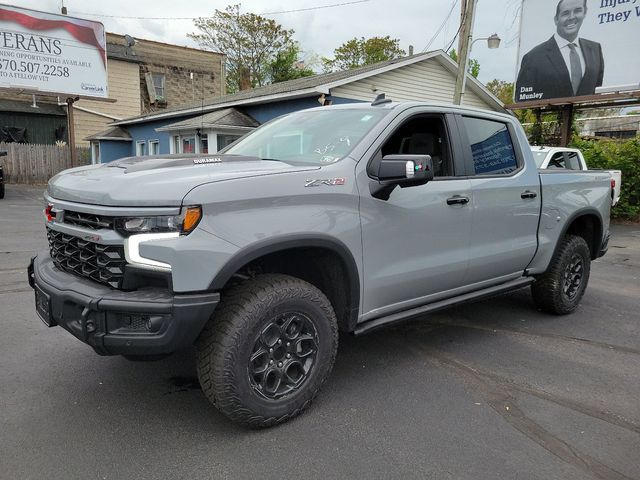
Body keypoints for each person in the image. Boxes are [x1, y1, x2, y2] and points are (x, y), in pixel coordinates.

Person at [515, 0, 604, 102]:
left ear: (585, 13)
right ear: (556, 19)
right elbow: (522, 100)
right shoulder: (533, 58)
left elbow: (597, 93)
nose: (572, 17)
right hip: (549, 116)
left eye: (578, 11)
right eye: (565, 13)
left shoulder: (595, 49)